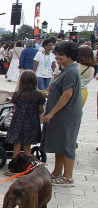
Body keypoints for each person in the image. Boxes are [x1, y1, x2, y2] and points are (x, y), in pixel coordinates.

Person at [42, 40, 83, 186]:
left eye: (61, 54)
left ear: (70, 56)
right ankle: (57, 172)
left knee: (66, 143)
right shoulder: (66, 70)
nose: (57, 57)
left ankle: (68, 176)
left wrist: (51, 113)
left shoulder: (71, 71)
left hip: (66, 114)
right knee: (59, 143)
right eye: (56, 54)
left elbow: (67, 95)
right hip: (61, 113)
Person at [4, 70, 44, 165]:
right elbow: (41, 110)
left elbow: (15, 108)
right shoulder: (39, 94)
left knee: (17, 144)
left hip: (18, 121)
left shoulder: (17, 93)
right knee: (27, 144)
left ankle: (15, 164)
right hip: (32, 121)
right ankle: (27, 164)